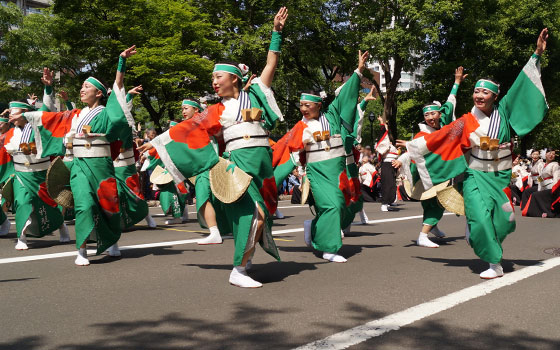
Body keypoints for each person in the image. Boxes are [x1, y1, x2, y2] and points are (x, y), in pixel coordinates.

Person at [139, 7, 288, 288]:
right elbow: (185, 130)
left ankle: (246, 256)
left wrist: (276, 33)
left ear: (234, 78)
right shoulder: (215, 110)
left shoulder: (256, 93)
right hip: (237, 162)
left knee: (261, 214)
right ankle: (238, 270)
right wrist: (157, 144)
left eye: (218, 77)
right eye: (213, 78)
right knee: (254, 213)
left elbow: (271, 63)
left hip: (261, 160)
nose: (214, 82)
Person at [400, 29, 549, 279]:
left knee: (505, 221)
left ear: (496, 96)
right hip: (475, 175)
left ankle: (482, 237)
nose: (479, 96)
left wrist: (537, 54)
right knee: (480, 219)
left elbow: (522, 85)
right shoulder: (465, 121)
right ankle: (494, 263)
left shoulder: (505, 112)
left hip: (500, 175)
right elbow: (442, 136)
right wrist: (414, 147)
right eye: (477, 92)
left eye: (486, 93)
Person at [15, 45, 138, 265]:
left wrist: (121, 62)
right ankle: (81, 249)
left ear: (99, 93)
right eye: (82, 86)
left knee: (107, 205)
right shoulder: (76, 114)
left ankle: (111, 241)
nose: (82, 90)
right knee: (84, 205)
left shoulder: (107, 112)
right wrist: (49, 90)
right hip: (80, 166)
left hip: (102, 166)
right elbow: (51, 117)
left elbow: (118, 88)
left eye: (86, 87)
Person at [298, 50, 370, 263]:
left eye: (308, 105)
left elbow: (346, 96)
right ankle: (329, 248)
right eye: (301, 105)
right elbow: (290, 149)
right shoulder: (300, 126)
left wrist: (359, 70)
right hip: (316, 171)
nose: (303, 109)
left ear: (319, 105)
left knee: (341, 203)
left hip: (336, 170)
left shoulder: (332, 116)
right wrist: (300, 172)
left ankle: (315, 228)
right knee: (331, 205)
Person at [394, 66, 467, 248]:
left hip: (443, 171)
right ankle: (422, 235)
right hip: (427, 175)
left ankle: (432, 226)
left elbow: (450, 102)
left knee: (435, 203)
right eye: (426, 115)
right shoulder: (422, 135)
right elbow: (411, 151)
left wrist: (457, 82)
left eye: (433, 113)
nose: (429, 117)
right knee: (434, 204)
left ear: (440, 114)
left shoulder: (446, 126)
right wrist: (400, 159)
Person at [6, 94, 69, 250]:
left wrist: (48, 89)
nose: (10, 115)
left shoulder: (38, 126)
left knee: (49, 205)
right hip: (21, 174)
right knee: (22, 203)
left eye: (13, 112)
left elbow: (46, 109)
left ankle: (61, 226)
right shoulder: (11, 133)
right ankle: (22, 236)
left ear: (25, 113)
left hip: (41, 173)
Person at [521, 149, 559, 217]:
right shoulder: (543, 165)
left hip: (551, 187)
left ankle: (546, 212)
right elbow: (540, 177)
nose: (551, 155)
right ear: (545, 154)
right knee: (531, 193)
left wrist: (554, 190)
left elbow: (556, 178)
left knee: (534, 195)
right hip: (542, 185)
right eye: (549, 153)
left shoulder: (554, 165)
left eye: (553, 154)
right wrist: (540, 186)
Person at [375, 116, 399, 211]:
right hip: (387, 163)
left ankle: (390, 201)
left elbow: (386, 132)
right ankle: (384, 203)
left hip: (393, 163)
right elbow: (383, 133)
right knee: (387, 183)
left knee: (392, 183)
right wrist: (382, 123)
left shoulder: (390, 144)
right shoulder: (385, 142)